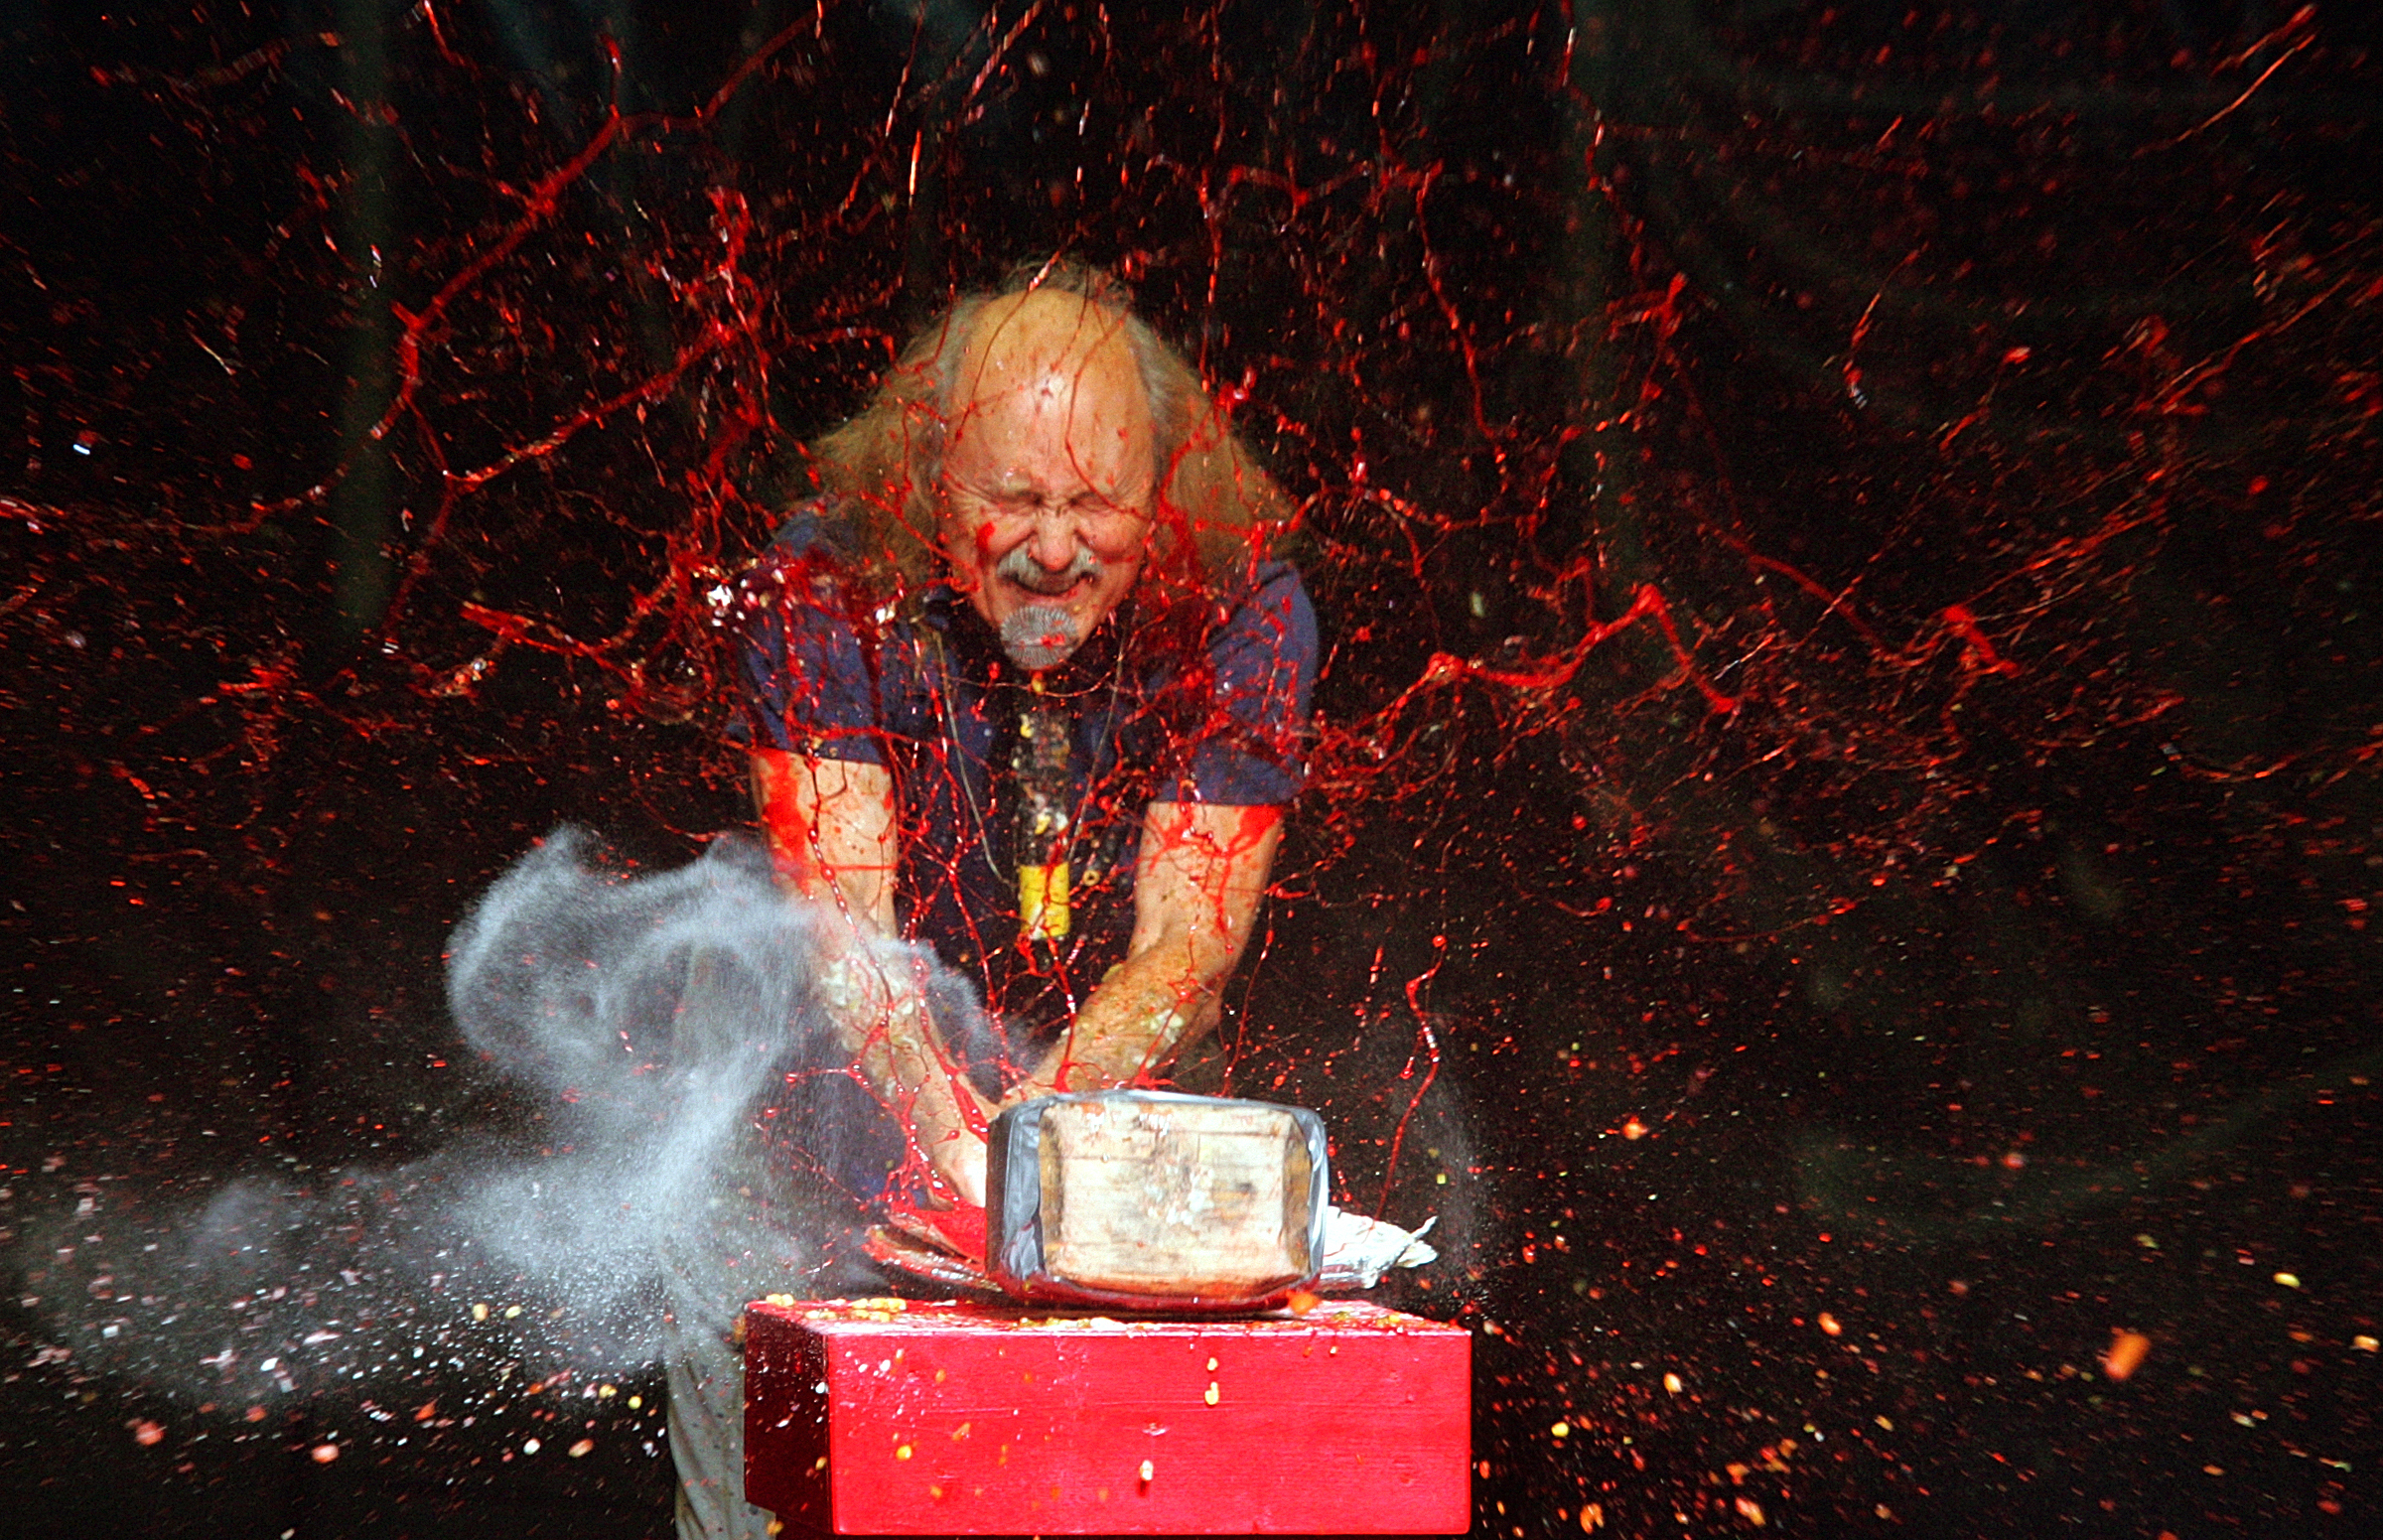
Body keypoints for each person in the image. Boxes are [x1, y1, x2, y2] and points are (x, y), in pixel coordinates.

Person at [666, 261, 1316, 1538]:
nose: (1056, 548)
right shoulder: (827, 582)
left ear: (1162, 500)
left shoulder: (1243, 600)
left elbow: (1190, 944)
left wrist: (1034, 1150)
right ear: (928, 482)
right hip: (809, 1049)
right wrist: (966, 1146)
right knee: (782, 1495)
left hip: (1092, 1056)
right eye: (1013, 498)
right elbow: (841, 925)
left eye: (1095, 504)